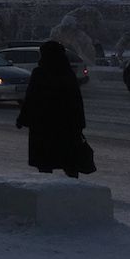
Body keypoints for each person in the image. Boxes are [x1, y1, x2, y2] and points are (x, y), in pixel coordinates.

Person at [16, 40, 87, 178]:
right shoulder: (67, 74)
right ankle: (74, 189)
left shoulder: (40, 73)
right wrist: (79, 124)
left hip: (43, 126)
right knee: (69, 161)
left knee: (45, 162)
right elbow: (77, 101)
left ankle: (46, 190)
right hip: (67, 125)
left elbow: (31, 98)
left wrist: (22, 119)